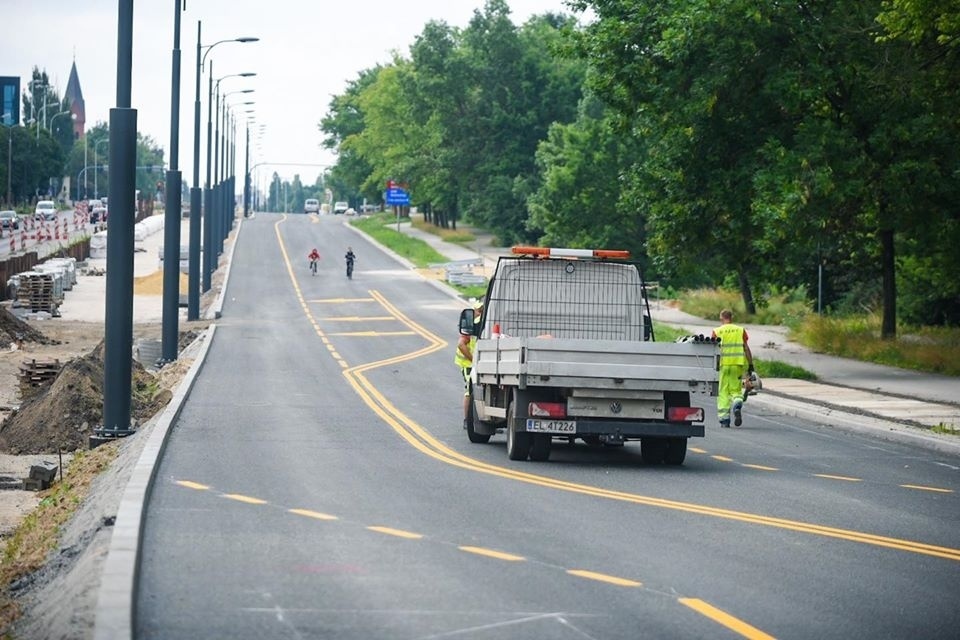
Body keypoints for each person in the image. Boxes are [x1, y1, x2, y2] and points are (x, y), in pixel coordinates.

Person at [711, 308, 754, 428]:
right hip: (737, 364)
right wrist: (750, 364)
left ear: (721, 318)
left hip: (723, 366)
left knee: (723, 392)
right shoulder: (740, 330)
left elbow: (712, 350)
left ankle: (724, 420)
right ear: (731, 318)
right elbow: (746, 348)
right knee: (735, 390)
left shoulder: (717, 331)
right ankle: (737, 402)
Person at [455, 299, 484, 430]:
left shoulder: (484, 323)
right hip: (468, 364)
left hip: (476, 363)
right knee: (469, 391)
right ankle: (467, 420)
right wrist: (473, 360)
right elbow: (461, 344)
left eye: (482, 310)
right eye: (478, 310)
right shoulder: (472, 325)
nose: (480, 313)